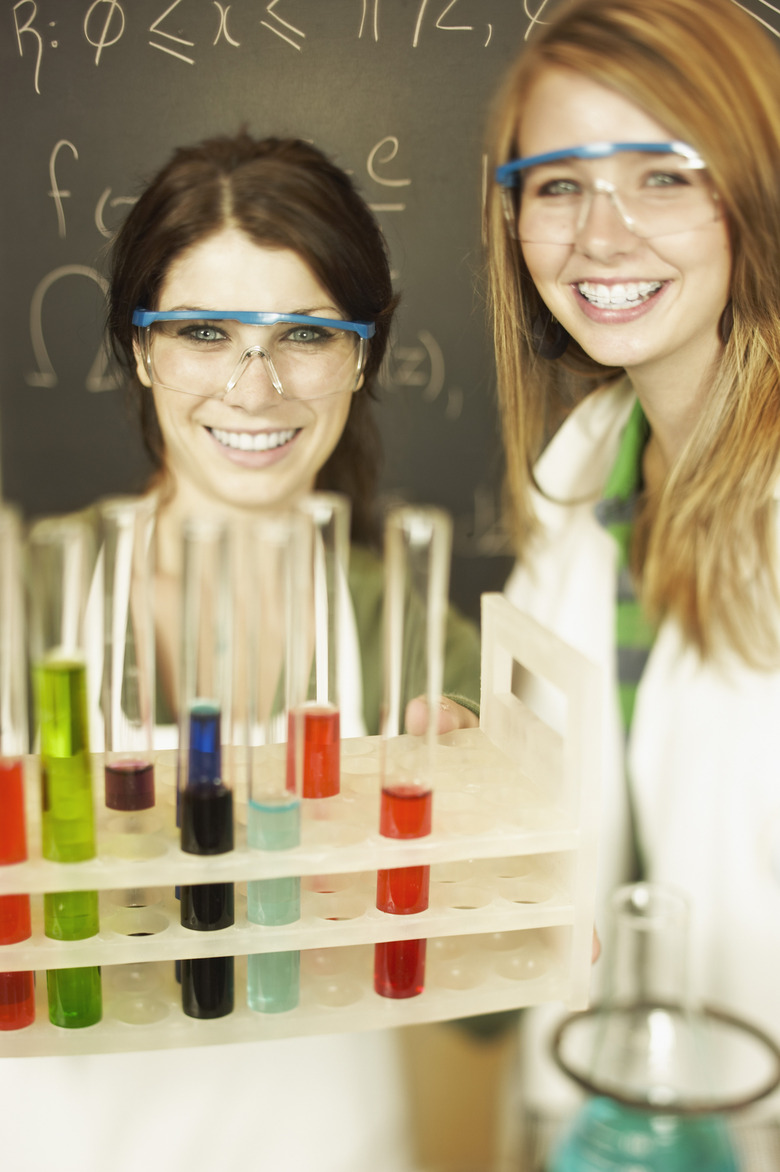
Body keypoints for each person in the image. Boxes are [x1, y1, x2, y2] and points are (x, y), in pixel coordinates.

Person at [1, 132, 481, 1172]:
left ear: (361, 354)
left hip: (331, 1145)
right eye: (205, 331)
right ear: (140, 348)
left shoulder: (415, 636)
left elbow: (487, 1009)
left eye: (305, 333)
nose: (254, 389)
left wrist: (473, 833)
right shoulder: (25, 604)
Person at [481, 0, 780, 1163]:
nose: (601, 236)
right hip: (602, 1114)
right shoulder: (586, 479)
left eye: (663, 175)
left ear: (755, 183)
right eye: (558, 184)